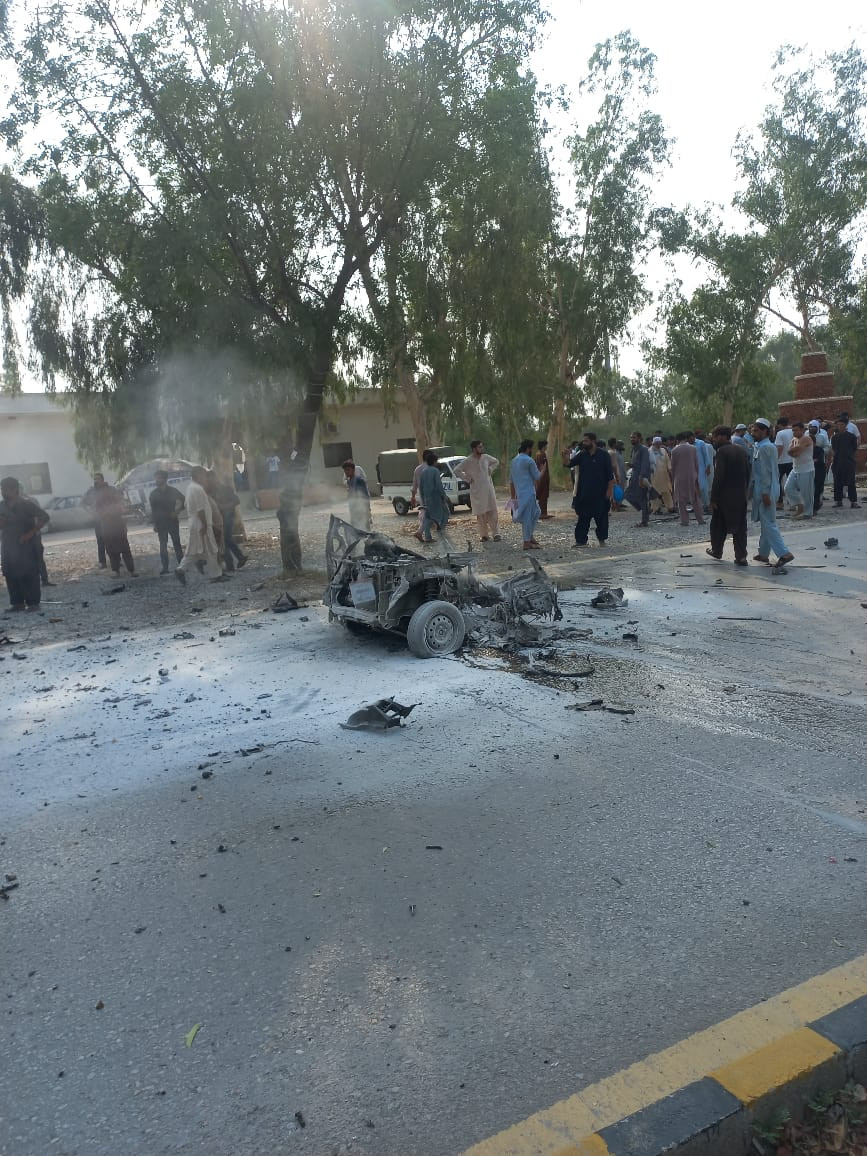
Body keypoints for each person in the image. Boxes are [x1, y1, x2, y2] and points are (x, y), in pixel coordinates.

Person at [0, 476, 49, 611]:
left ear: (14, 489)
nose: (3, 492)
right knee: (10, 572)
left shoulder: (26, 504)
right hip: (8, 545)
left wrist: (31, 533)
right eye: (1, 489)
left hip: (25, 544)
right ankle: (17, 603)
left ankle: (33, 603)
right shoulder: (1, 506)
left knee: (28, 572)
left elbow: (44, 517)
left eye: (5, 489)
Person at [750, 419, 793, 566]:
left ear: (765, 431)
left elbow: (765, 473)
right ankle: (763, 553)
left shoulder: (765, 447)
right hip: (764, 489)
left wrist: (764, 493)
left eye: (756, 431)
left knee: (769, 523)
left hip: (766, 490)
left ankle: (784, 553)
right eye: (753, 430)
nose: (753, 433)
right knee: (765, 522)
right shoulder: (761, 446)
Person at [175, 466, 226, 583]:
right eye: (204, 476)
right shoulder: (197, 489)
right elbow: (200, 510)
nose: (206, 479)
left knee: (197, 549)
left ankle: (181, 569)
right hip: (200, 522)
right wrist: (204, 524)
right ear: (198, 475)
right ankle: (216, 575)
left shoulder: (191, 487)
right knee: (211, 549)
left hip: (197, 522)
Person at [707, 427, 749, 565]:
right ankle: (741, 556)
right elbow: (748, 473)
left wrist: (713, 498)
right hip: (740, 495)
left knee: (718, 526)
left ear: (724, 436)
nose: (714, 439)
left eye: (716, 436)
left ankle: (717, 551)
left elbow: (719, 477)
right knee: (740, 527)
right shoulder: (741, 450)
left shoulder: (722, 452)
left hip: (725, 496)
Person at [570, 432, 614, 548]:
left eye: (586, 441)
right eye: (583, 441)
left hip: (600, 494)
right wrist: (564, 456)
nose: (584, 443)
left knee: (602, 519)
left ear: (593, 441)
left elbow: (610, 475)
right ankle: (581, 541)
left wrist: (609, 491)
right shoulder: (582, 455)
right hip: (585, 493)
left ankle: (602, 540)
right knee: (583, 518)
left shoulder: (604, 455)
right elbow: (569, 463)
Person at [454, 441, 500, 541]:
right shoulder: (468, 461)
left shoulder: (486, 457)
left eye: (482, 446)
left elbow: (496, 461)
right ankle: (484, 535)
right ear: (474, 449)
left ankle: (496, 534)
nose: (482, 448)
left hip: (488, 489)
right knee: (481, 514)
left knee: (492, 511)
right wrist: (467, 478)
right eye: (479, 447)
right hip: (477, 491)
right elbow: (456, 470)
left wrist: (490, 469)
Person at [94, 480, 136, 577]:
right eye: (101, 490)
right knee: (111, 551)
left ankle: (132, 570)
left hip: (119, 526)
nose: (103, 491)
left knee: (125, 549)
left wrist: (113, 511)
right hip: (107, 529)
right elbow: (98, 515)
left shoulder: (115, 499)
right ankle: (116, 571)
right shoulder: (99, 503)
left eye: (105, 489)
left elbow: (123, 509)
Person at [149, 470, 185, 574]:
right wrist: (155, 524)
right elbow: (153, 511)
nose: (157, 480)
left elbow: (184, 501)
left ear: (165, 479)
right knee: (163, 546)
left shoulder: (173, 491)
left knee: (177, 544)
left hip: (172, 521)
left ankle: (182, 566)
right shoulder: (153, 494)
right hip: (161, 523)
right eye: (156, 478)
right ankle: (165, 568)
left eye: (159, 478)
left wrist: (177, 512)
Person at [509, 439, 542, 549]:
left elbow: (511, 481)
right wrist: (544, 469)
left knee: (537, 512)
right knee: (528, 517)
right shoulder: (529, 460)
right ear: (528, 449)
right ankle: (526, 543)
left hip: (521, 494)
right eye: (531, 448)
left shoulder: (514, 461)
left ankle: (529, 536)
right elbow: (537, 476)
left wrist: (513, 497)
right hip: (529, 493)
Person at [670, 432, 705, 525]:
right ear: (685, 439)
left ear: (677, 440)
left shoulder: (674, 450)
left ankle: (684, 521)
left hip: (679, 477)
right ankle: (700, 519)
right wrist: (696, 474)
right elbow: (696, 463)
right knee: (695, 498)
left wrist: (672, 478)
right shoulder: (693, 448)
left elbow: (673, 466)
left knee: (681, 500)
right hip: (692, 475)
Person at [417, 450, 451, 544]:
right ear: (434, 461)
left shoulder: (423, 471)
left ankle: (427, 536)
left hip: (427, 498)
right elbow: (438, 485)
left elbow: (421, 486)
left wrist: (423, 498)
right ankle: (441, 529)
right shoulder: (435, 471)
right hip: (436, 497)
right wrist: (444, 496)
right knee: (446, 513)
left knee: (429, 516)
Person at [215, 476, 248, 571]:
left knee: (225, 540)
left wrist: (225, 506)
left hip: (227, 518)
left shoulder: (226, 489)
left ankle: (232, 563)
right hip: (220, 518)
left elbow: (236, 501)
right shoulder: (211, 490)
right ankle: (238, 558)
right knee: (226, 540)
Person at [784, 421, 815, 518]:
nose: (794, 432)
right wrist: (792, 450)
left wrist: (792, 450)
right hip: (795, 468)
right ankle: (800, 505)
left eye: (796, 430)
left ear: (802, 430)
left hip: (806, 469)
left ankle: (808, 513)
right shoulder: (794, 439)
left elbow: (797, 452)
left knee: (806, 493)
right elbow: (791, 452)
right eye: (793, 430)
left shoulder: (806, 438)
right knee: (788, 488)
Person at [830, 417, 860, 508]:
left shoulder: (852, 437)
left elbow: (854, 448)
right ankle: (838, 500)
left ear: (846, 425)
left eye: (841, 424)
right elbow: (833, 449)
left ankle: (853, 501)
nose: (839, 426)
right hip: (837, 462)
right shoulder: (834, 437)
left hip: (849, 462)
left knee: (851, 482)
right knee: (837, 482)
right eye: (838, 425)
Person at [624, 430, 652, 527]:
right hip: (634, 476)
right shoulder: (634, 449)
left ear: (639, 438)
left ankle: (644, 520)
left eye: (634, 437)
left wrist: (642, 477)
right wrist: (630, 465)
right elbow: (637, 463)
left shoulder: (643, 449)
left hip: (641, 477)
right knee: (628, 495)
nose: (632, 439)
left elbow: (645, 464)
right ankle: (645, 511)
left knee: (642, 498)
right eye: (631, 437)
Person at [82, 473, 109, 567]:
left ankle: (116, 559)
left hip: (109, 519)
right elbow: (83, 503)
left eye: (98, 479)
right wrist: (90, 512)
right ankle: (103, 562)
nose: (95, 481)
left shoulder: (107, 489)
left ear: (102, 480)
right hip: (98, 520)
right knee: (100, 541)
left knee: (111, 539)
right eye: (94, 479)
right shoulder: (91, 491)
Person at [341, 459, 372, 531]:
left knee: (365, 528)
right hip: (353, 509)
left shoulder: (359, 480)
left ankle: (369, 541)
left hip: (361, 509)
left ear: (353, 470)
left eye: (348, 470)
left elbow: (365, 496)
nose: (346, 472)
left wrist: (367, 510)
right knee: (355, 527)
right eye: (345, 470)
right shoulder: (349, 481)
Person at [808, 420, 830, 512]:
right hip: (808, 463)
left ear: (817, 428)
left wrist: (818, 450)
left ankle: (816, 503)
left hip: (819, 462)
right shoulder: (806, 435)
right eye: (810, 427)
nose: (812, 429)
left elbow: (827, 448)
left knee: (818, 485)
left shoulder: (822, 436)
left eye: (814, 427)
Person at [648, 437, 674, 513]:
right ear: (653, 443)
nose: (659, 445)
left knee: (666, 491)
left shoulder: (663, 451)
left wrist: (670, 471)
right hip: (654, 476)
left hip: (664, 475)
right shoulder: (649, 451)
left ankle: (670, 507)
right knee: (654, 493)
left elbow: (668, 462)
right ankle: (656, 508)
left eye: (660, 443)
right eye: (657, 443)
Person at [774, 417, 794, 506]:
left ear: (779, 424)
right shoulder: (793, 431)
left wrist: (776, 459)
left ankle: (780, 502)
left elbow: (780, 447)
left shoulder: (780, 433)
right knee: (792, 482)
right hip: (792, 460)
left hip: (781, 461)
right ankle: (792, 502)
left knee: (777, 481)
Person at [534, 440, 552, 519]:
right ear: (543, 446)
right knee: (543, 495)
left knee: (541, 494)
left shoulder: (537, 454)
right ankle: (543, 513)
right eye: (546, 446)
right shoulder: (542, 454)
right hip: (543, 477)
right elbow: (542, 467)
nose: (547, 447)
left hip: (539, 477)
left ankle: (542, 512)